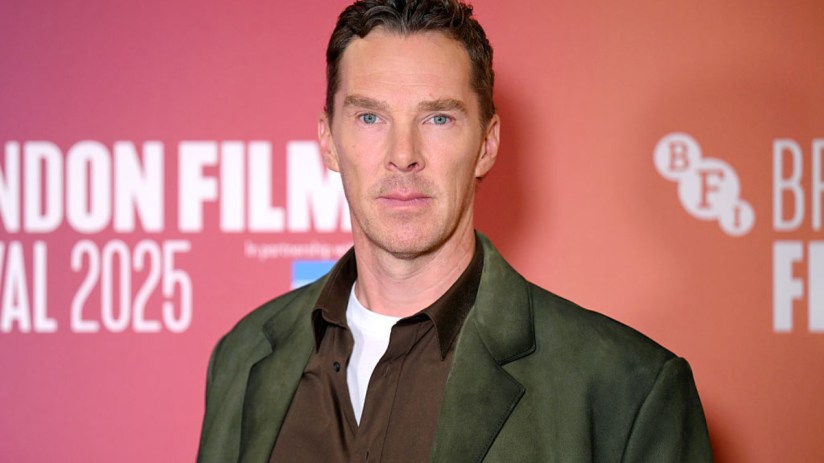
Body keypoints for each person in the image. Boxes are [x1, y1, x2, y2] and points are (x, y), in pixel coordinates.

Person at [197, 0, 714, 461]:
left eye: (438, 119)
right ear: (328, 141)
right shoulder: (241, 357)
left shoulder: (628, 388)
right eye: (370, 118)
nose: (404, 155)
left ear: (487, 144)